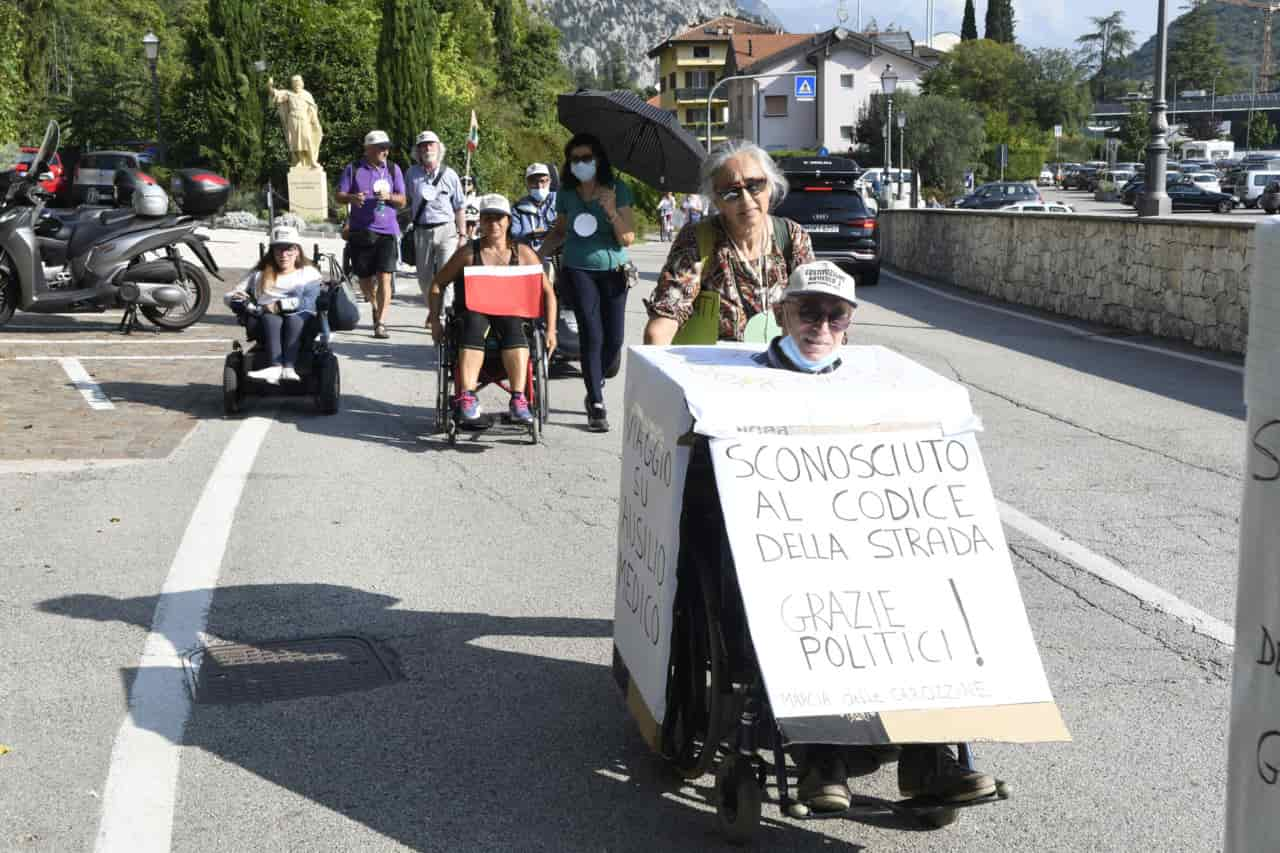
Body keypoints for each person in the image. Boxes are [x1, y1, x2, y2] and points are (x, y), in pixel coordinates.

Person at [754, 260, 999, 812]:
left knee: (930, 598)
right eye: (807, 312)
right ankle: (822, 758)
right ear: (781, 314)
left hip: (864, 536)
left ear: (850, 324)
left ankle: (929, 755)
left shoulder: (873, 381)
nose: (820, 326)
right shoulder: (746, 380)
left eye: (834, 315)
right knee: (803, 606)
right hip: (786, 544)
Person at [643, 139, 814, 345]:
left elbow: (817, 308)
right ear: (716, 199)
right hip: (716, 370)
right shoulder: (697, 240)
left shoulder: (792, 236)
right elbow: (662, 324)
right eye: (731, 192)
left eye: (755, 186)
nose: (746, 199)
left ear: (770, 185)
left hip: (781, 368)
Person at [427, 194, 557, 426]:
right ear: (480, 222)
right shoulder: (468, 253)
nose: (493, 224)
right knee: (472, 322)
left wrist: (552, 331)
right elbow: (438, 284)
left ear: (508, 221)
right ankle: (467, 396)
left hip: (510, 316)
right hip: (473, 314)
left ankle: (518, 399)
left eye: (499, 218)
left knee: (513, 323)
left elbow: (548, 292)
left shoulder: (523, 253)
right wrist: (436, 321)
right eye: (487, 218)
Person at [538, 132, 635, 432]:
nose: (581, 163)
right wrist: (534, 256)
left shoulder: (619, 189)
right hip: (578, 269)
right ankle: (595, 401)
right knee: (591, 334)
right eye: (575, 159)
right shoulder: (567, 193)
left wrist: (610, 211)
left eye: (586, 158)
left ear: (598, 160)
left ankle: (597, 375)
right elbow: (560, 231)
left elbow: (628, 238)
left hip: (614, 269)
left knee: (614, 339)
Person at [225, 226, 323, 384]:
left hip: (300, 318)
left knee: (293, 319)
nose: (284, 255)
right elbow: (230, 295)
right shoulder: (259, 274)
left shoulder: (309, 273)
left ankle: (289, 367)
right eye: (279, 250)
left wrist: (279, 305)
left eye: (289, 250)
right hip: (265, 318)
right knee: (272, 319)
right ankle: (275, 366)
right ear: (272, 252)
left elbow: (310, 301)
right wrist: (239, 299)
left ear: (297, 251)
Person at [336, 130, 406, 339]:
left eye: (386, 147)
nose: (385, 151)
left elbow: (403, 200)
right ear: (369, 149)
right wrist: (351, 198)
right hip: (361, 231)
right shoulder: (354, 169)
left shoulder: (394, 169)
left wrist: (389, 196)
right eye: (380, 147)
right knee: (365, 279)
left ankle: (381, 322)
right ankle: (375, 304)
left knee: (385, 276)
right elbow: (339, 196)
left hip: (387, 231)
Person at [405, 130, 467, 316]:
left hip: (446, 230)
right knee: (424, 278)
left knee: (445, 275)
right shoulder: (411, 174)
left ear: (439, 148)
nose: (427, 148)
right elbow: (406, 202)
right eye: (423, 145)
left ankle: (442, 315)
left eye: (431, 144)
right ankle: (433, 308)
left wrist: (462, 234)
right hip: (422, 231)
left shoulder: (450, 175)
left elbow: (459, 206)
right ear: (417, 151)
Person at [510, 163, 557, 254]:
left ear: (550, 181)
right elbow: (514, 235)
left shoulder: (560, 199)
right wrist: (530, 235)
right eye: (534, 182)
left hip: (559, 254)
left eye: (543, 181)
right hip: (531, 256)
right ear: (527, 184)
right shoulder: (517, 208)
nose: (539, 186)